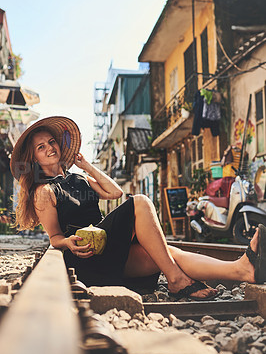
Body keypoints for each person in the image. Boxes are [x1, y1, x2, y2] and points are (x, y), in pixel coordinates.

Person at [10, 116, 266, 300]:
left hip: (109, 247)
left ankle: (241, 269)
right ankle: (177, 280)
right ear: (34, 158)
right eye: (41, 147)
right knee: (141, 202)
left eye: (51, 142)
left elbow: (115, 192)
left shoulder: (78, 179)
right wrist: (69, 243)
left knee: (168, 253)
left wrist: (86, 166)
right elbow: (54, 238)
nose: (50, 148)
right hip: (88, 259)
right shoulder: (43, 192)